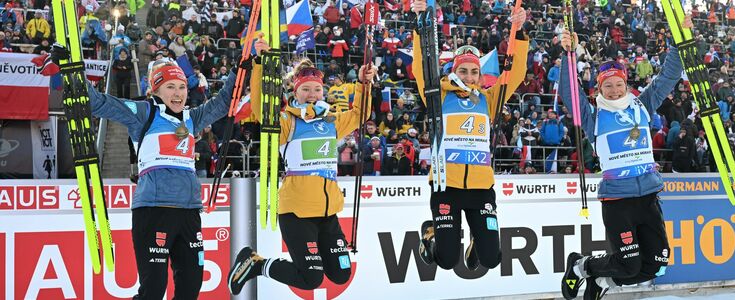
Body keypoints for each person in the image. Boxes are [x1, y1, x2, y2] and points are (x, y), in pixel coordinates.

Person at [50, 34, 264, 298]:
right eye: (170, 87)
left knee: (189, 289)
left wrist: (242, 67)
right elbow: (99, 103)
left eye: (182, 87)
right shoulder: (144, 113)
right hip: (153, 209)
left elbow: (223, 103)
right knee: (153, 289)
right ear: (155, 90)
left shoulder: (192, 117)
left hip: (188, 212)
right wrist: (72, 68)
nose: (177, 93)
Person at [558, 15, 693, 300]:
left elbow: (668, 77)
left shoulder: (642, 105)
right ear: (599, 88)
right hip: (618, 200)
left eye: (619, 84)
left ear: (626, 83)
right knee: (629, 264)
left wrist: (679, 42)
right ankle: (582, 266)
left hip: (648, 197)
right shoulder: (594, 117)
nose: (615, 90)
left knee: (656, 265)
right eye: (608, 86)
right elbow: (570, 94)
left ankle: (603, 280)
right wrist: (567, 55)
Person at [227, 58, 377, 294]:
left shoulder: (331, 121)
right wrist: (259, 67)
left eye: (317, 89)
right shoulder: (288, 121)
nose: (312, 94)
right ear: (295, 91)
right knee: (311, 279)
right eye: (305, 89)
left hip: (327, 213)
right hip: (297, 212)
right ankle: (257, 264)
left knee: (341, 273)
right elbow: (261, 110)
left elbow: (360, 113)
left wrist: (363, 83)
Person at [410, 0, 529, 271]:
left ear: (480, 74)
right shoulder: (437, 95)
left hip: (480, 187)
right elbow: (420, 67)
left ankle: (478, 236)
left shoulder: (489, 98)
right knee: (446, 260)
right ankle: (430, 232)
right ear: (454, 71)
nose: (470, 76)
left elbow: (517, 73)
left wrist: (519, 33)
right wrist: (420, 28)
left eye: (474, 71)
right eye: (463, 70)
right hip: (445, 186)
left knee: (490, 259)